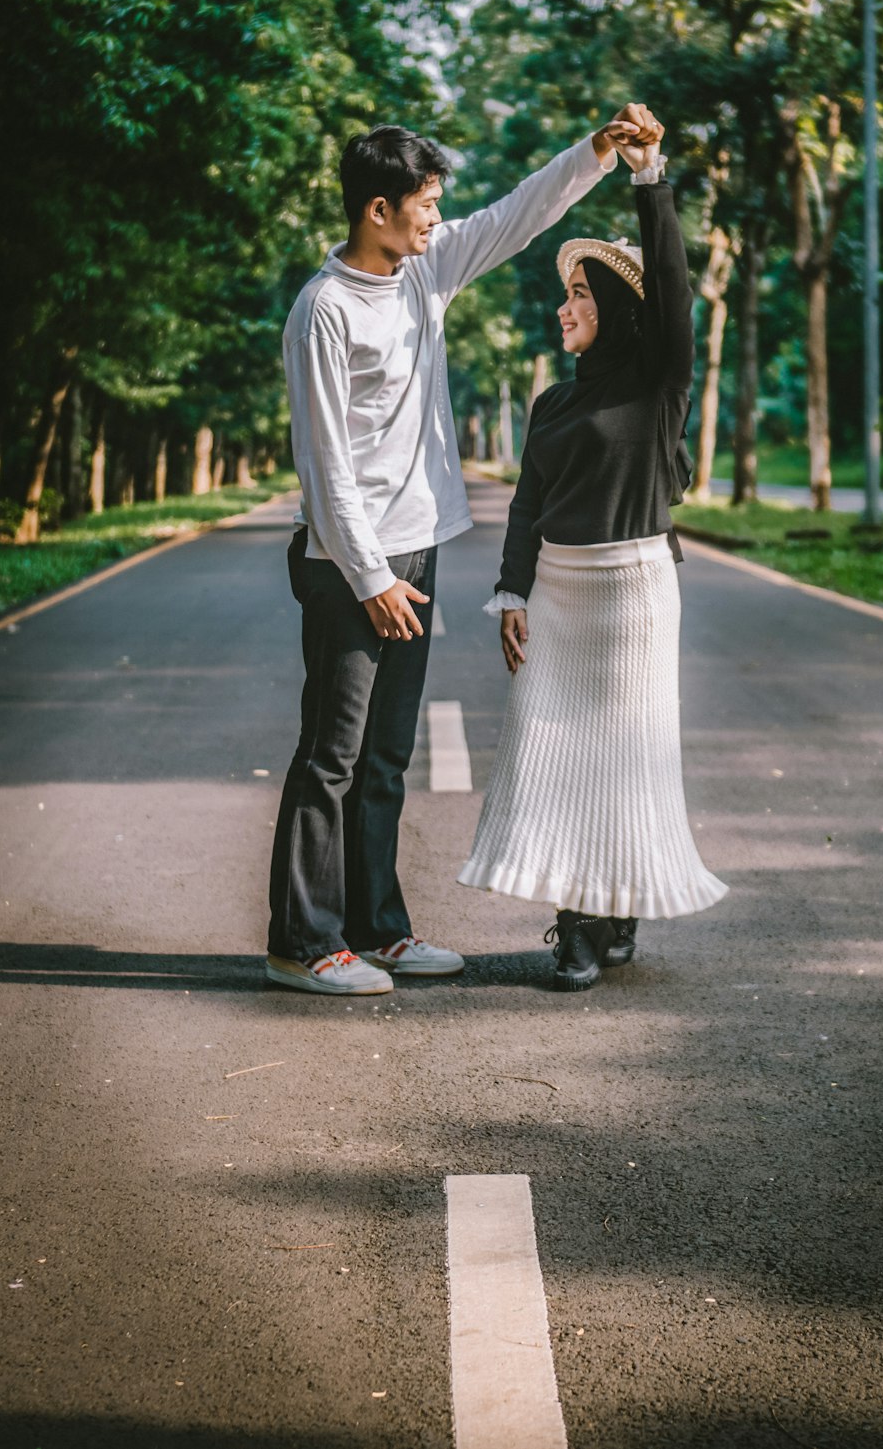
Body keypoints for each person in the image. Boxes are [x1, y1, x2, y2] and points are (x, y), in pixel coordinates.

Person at [266, 106, 656, 996]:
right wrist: (369, 577)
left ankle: (377, 929)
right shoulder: (323, 312)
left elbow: (521, 213)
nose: (439, 217)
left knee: (386, 758)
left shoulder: (425, 272)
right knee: (332, 755)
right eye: (426, 203)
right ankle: (302, 940)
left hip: (415, 553)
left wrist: (598, 151)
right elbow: (324, 462)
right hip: (347, 565)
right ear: (377, 210)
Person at [458, 114, 728, 990]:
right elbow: (527, 505)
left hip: (636, 593)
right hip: (560, 595)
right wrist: (511, 594)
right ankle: (577, 921)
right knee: (555, 753)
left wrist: (651, 181)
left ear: (614, 309)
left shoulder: (658, 388)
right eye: (566, 292)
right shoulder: (551, 406)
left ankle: (613, 904)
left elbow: (677, 300)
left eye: (580, 294)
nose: (565, 305)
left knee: (625, 752)